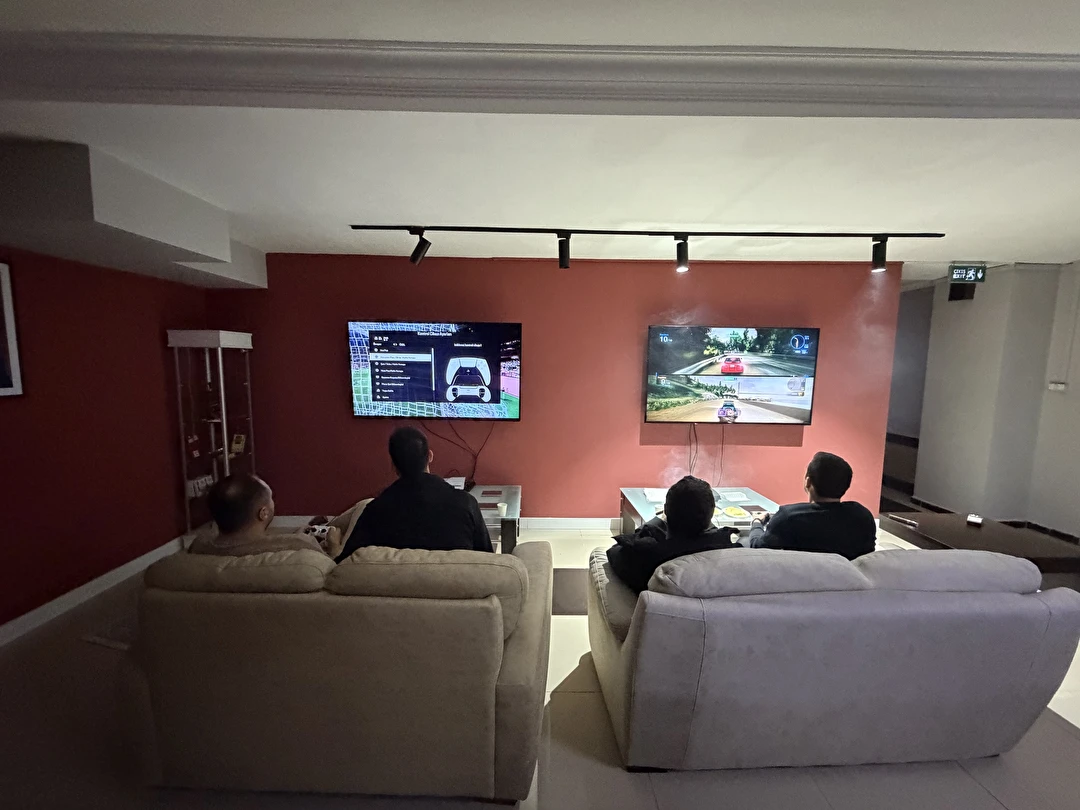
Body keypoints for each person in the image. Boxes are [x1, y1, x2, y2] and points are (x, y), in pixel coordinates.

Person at [335, 426, 493, 561]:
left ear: (393, 465)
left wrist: (334, 549)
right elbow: (488, 560)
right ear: (430, 456)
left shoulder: (374, 510)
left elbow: (346, 563)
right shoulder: (466, 503)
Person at [606, 475, 741, 593]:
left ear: (666, 510)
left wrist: (658, 521)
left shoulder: (648, 557)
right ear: (711, 513)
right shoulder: (733, 554)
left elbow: (614, 552)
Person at [748, 451, 876, 560]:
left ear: (808, 482)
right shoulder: (862, 516)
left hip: (800, 578)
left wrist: (757, 523)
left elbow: (759, 549)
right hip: (850, 579)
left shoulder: (788, 517)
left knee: (744, 541)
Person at [189, 474, 330, 557]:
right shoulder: (301, 545)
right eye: (271, 498)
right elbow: (331, 569)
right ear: (263, 513)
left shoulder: (198, 546)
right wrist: (335, 549)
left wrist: (296, 535)